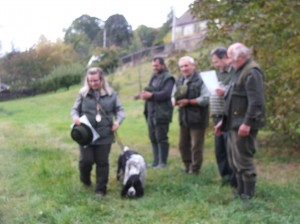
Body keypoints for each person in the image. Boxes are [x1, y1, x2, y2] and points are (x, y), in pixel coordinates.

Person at [215, 43, 266, 203]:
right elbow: (232, 99)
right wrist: (223, 120)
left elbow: (256, 101)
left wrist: (247, 123)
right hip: (233, 123)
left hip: (243, 124)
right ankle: (240, 192)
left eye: (230, 57)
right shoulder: (239, 71)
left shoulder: (252, 71)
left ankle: (248, 196)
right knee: (234, 160)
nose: (228, 61)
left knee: (244, 160)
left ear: (241, 57)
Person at [71, 67, 125, 197]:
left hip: (105, 134)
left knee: (102, 162)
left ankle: (101, 189)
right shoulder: (82, 94)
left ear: (101, 79)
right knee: (86, 160)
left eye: (95, 80)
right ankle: (85, 179)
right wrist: (75, 118)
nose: (93, 83)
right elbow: (74, 110)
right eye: (90, 81)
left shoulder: (111, 94)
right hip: (86, 134)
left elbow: (120, 110)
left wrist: (117, 122)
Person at [173, 56, 209, 174]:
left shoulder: (201, 80)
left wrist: (189, 102)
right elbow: (173, 94)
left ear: (193, 66)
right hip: (184, 118)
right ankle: (187, 166)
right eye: (181, 66)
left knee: (196, 146)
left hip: (198, 118)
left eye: (186, 65)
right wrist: (173, 100)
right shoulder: (179, 80)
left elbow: (206, 98)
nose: (184, 69)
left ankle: (195, 170)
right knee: (183, 145)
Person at [140, 57, 175, 168]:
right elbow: (150, 89)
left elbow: (166, 93)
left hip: (162, 112)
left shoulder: (169, 78)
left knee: (161, 137)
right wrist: (144, 93)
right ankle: (155, 161)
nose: (154, 68)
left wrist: (151, 95)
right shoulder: (154, 76)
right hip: (151, 111)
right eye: (153, 66)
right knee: (153, 137)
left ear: (162, 65)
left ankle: (162, 162)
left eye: (156, 66)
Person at [210, 47, 237, 187]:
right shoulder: (216, 75)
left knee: (229, 148)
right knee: (219, 148)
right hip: (217, 115)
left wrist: (224, 91)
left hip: (229, 115)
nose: (215, 65)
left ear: (225, 58)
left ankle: (234, 179)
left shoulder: (235, 73)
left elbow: (237, 91)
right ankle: (224, 176)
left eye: (217, 62)